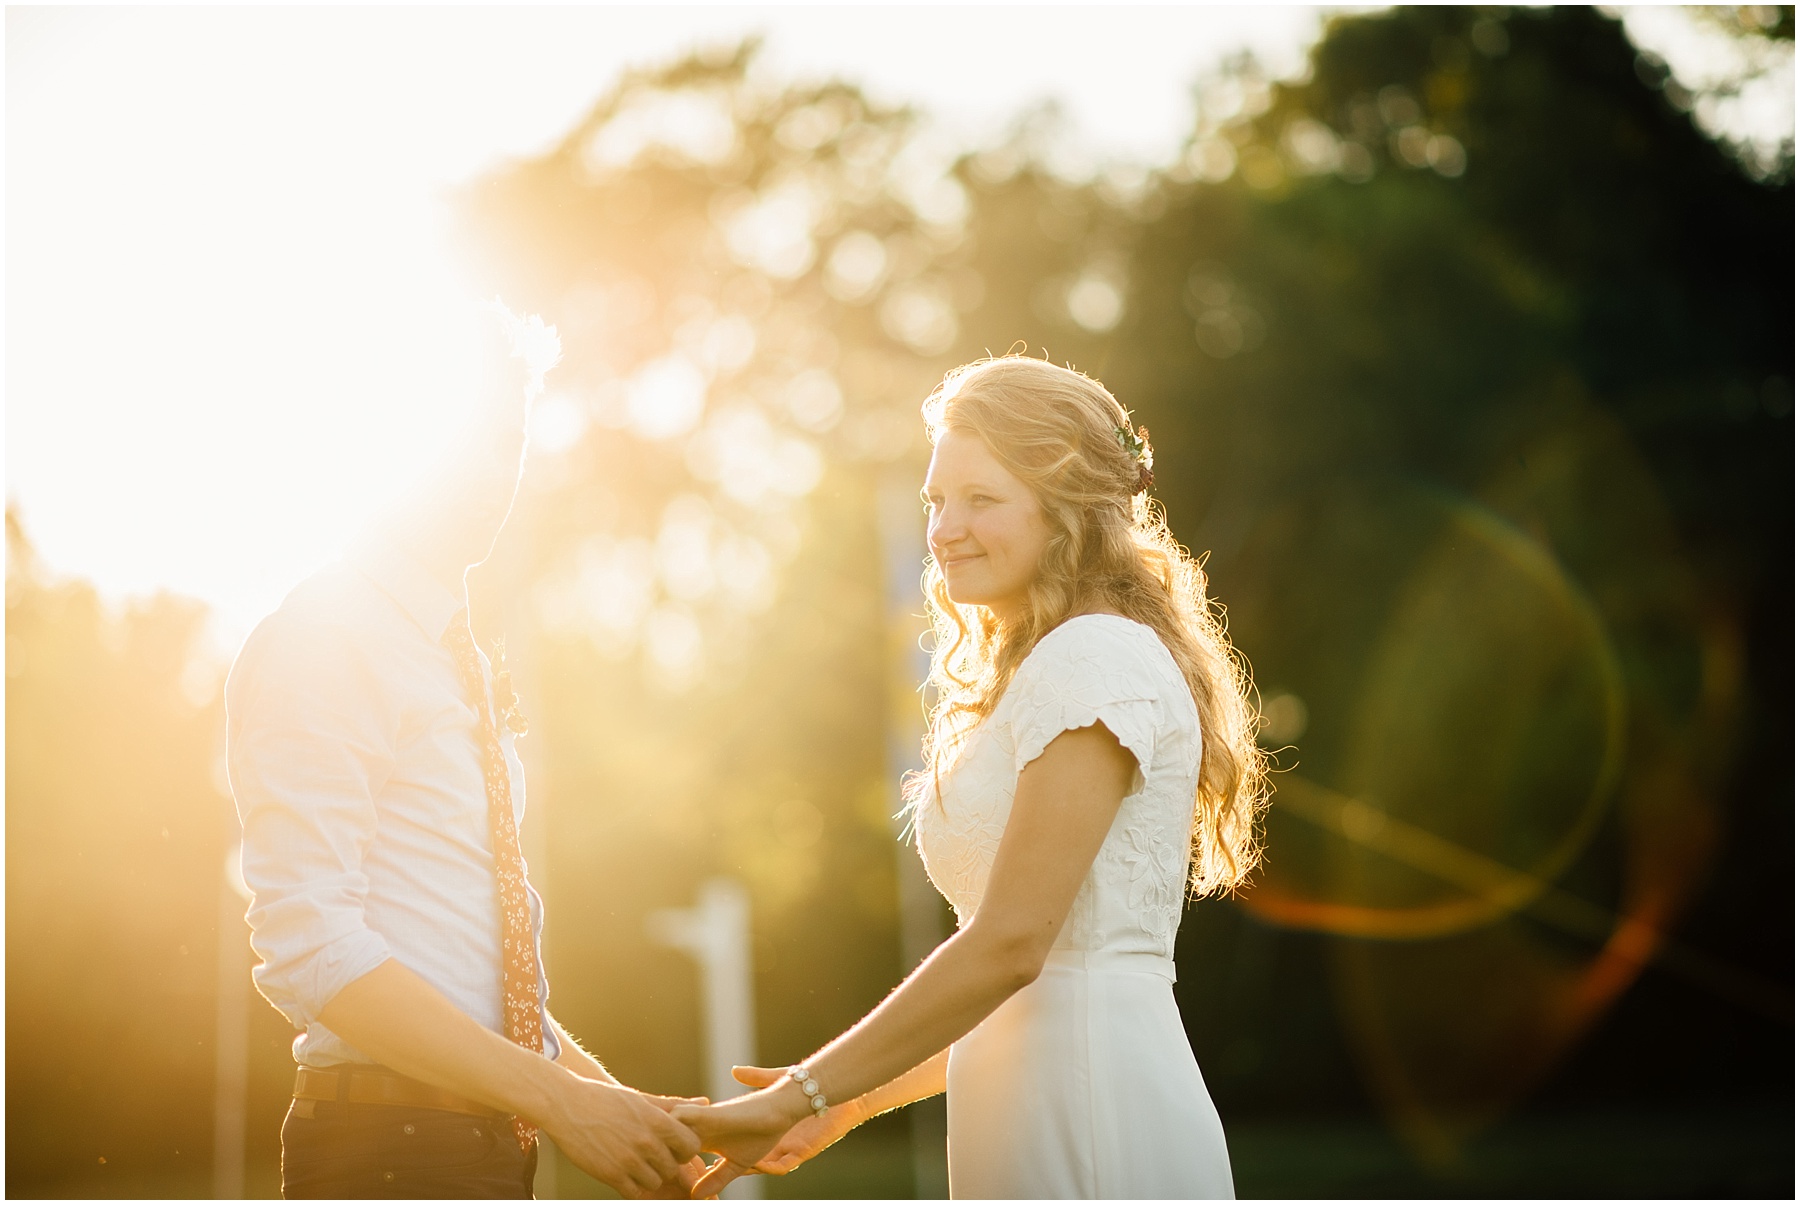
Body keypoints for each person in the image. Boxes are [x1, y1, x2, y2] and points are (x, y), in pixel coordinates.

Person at [675, 356, 1268, 1199]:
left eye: (981, 498)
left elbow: (1015, 946)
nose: (945, 527)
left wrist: (804, 1086)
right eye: (935, 500)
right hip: (1025, 1105)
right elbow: (1011, 984)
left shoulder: (1093, 657)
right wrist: (838, 1108)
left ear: (1065, 509)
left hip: (1092, 1117)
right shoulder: (1053, 663)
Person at [226, 307, 704, 1200]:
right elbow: (310, 941)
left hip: (473, 1143)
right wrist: (562, 1103)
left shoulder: (456, 652)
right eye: (461, 438)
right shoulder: (326, 636)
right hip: (386, 1154)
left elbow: (462, 971)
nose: (492, 472)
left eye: (509, 440)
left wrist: (619, 1107)